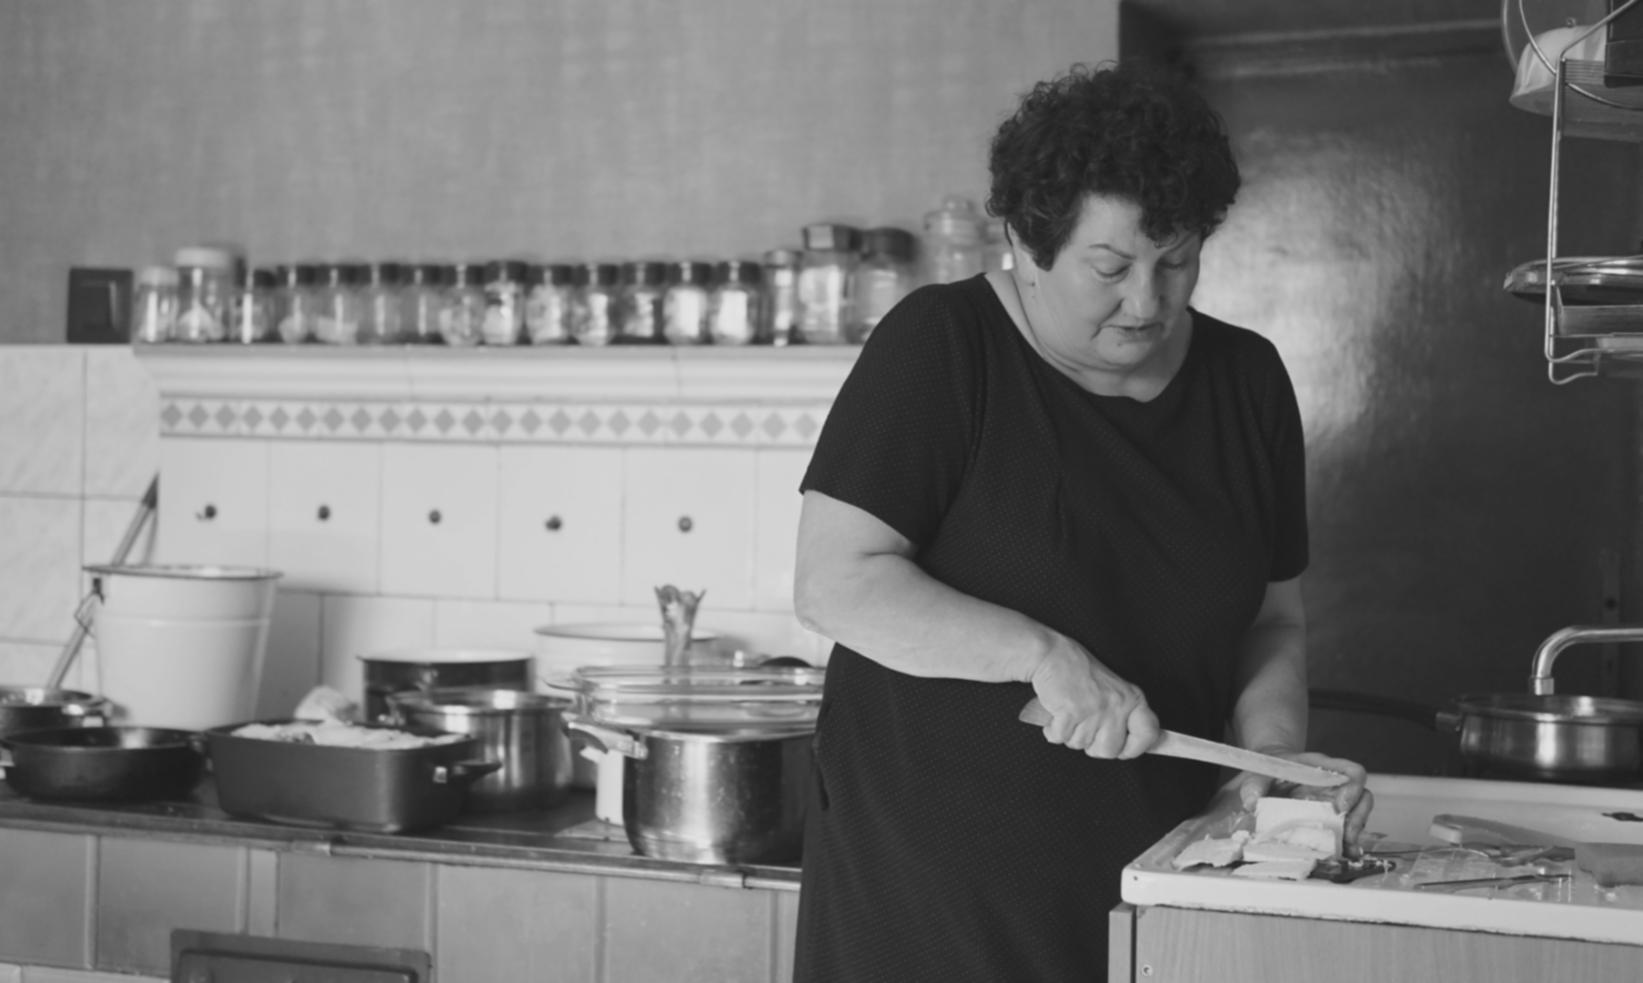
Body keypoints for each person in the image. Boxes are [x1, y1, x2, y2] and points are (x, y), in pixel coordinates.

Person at [789, 60, 1373, 982]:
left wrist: (1261, 767)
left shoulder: (1246, 380)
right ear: (1025, 239)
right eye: (1110, 267)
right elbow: (836, 581)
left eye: (1176, 260)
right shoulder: (942, 346)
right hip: (936, 892)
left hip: (1165, 877)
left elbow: (1270, 620)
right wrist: (1041, 655)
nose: (1147, 301)